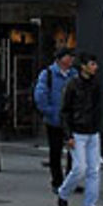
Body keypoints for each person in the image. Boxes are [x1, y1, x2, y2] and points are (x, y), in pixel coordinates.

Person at [56, 52, 103, 206]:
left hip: (92, 131)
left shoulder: (95, 84)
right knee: (80, 168)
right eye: (92, 64)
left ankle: (90, 204)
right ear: (83, 66)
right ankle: (63, 192)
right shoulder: (72, 85)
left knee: (94, 169)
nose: (95, 67)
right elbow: (65, 111)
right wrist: (68, 135)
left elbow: (98, 107)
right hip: (78, 131)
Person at [34, 47, 77, 192]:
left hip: (71, 120)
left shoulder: (74, 74)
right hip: (55, 120)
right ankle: (57, 181)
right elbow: (40, 96)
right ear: (60, 59)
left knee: (74, 153)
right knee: (55, 152)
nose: (71, 59)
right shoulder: (48, 74)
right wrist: (51, 112)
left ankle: (71, 181)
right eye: (68, 57)